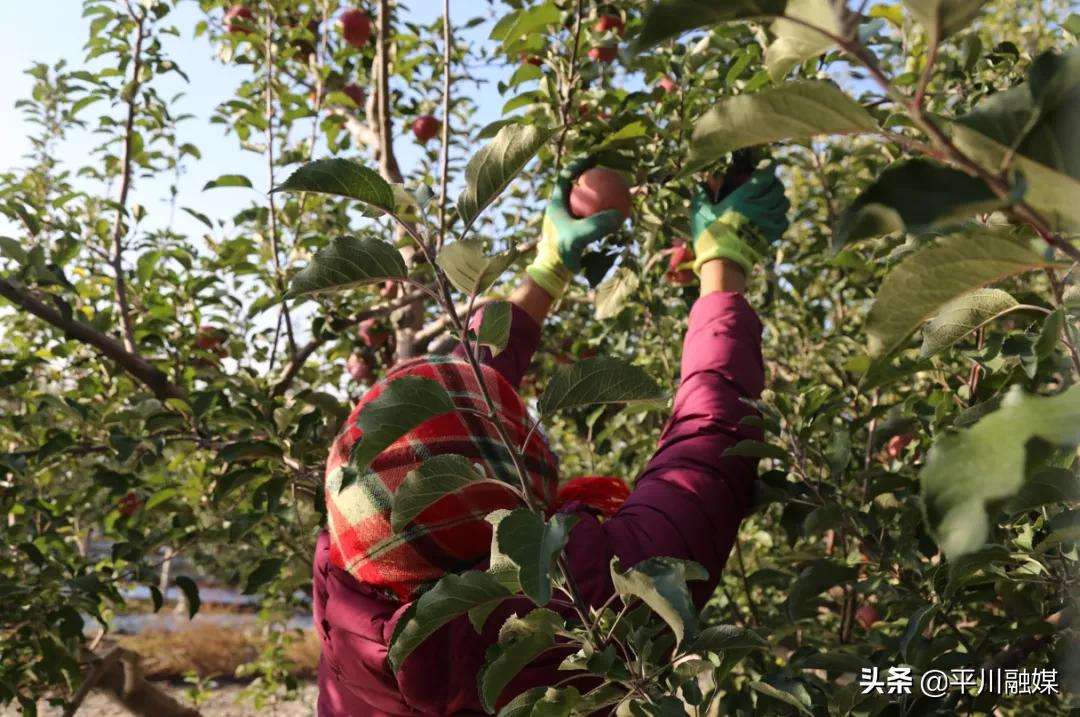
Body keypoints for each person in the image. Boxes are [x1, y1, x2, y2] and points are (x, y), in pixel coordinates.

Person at [312, 159, 790, 716]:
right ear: (516, 510)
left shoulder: (349, 582)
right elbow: (708, 449)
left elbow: (445, 420)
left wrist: (546, 272)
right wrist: (724, 260)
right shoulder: (582, 598)